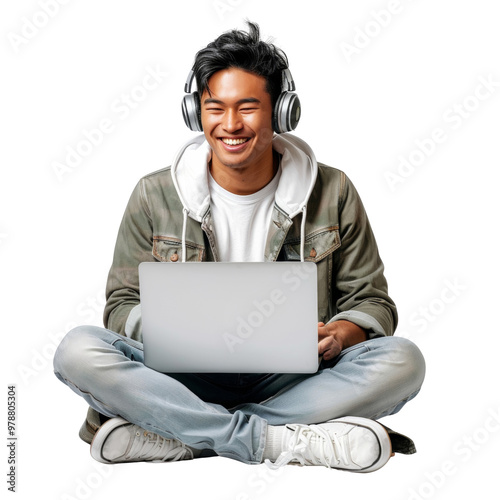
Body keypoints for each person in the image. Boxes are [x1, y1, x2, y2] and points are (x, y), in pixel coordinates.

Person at [53, 21, 425, 472]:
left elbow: (372, 301)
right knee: (77, 349)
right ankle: (276, 439)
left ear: (281, 113)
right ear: (197, 114)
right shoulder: (154, 195)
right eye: (216, 108)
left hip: (294, 379)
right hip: (181, 378)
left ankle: (184, 435)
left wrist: (342, 334)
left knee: (403, 359)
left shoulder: (333, 190)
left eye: (247, 108)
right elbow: (121, 304)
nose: (230, 125)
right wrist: (166, 333)